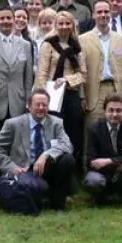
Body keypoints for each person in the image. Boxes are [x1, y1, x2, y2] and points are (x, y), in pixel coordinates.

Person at [0, 89, 76, 211]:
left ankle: (58, 203)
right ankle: (44, 196)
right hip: (24, 170)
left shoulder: (57, 123)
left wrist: (46, 155)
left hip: (48, 167)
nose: (41, 108)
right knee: (41, 187)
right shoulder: (12, 124)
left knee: (68, 159)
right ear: (29, 106)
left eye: (44, 105)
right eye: (37, 105)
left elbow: (67, 145)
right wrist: (11, 168)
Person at [0, 6, 34, 194]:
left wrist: (28, 100)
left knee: (15, 145)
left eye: (8, 18)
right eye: (2, 18)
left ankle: (14, 181)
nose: (5, 21)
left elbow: (28, 77)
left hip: (17, 102)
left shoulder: (25, 45)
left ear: (15, 20)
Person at [35, 11, 88, 168]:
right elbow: (42, 73)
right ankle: (53, 167)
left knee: (73, 133)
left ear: (72, 25)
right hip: (52, 96)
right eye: (61, 23)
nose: (64, 27)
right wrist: (42, 97)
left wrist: (66, 80)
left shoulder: (77, 46)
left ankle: (72, 168)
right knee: (54, 133)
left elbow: (83, 74)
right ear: (55, 25)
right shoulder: (48, 44)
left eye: (67, 23)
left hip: (71, 94)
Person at [79, 0, 122, 126]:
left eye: (106, 11)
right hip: (94, 92)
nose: (103, 15)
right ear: (93, 15)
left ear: (111, 13)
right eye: (99, 12)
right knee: (93, 130)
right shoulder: (82, 40)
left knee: (117, 132)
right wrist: (82, 96)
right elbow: (80, 71)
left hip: (116, 89)